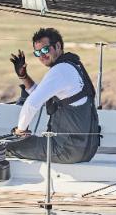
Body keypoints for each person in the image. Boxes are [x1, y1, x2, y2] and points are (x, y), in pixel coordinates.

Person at [6, 28, 100, 163]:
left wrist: (20, 132)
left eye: (45, 50)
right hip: (86, 150)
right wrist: (23, 76)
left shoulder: (60, 70)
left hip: (65, 149)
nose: (41, 55)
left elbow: (32, 103)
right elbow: (41, 95)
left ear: (58, 46)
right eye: (37, 52)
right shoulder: (72, 66)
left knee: (7, 147)